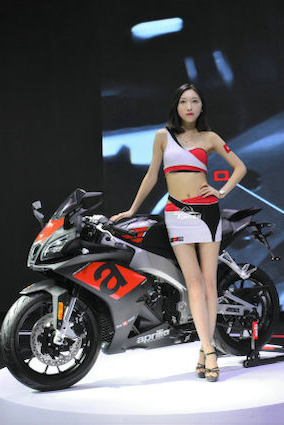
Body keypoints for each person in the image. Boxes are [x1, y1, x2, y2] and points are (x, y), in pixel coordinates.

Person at [110, 83, 246, 382]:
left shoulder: (210, 138)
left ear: (201, 106)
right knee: (193, 284)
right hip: (177, 214)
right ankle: (208, 350)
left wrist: (221, 191)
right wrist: (132, 210)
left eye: (195, 101)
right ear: (177, 106)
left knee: (209, 285)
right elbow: (151, 175)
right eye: (184, 101)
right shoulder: (163, 136)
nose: (189, 107)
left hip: (207, 213)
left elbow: (240, 167)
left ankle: (206, 350)